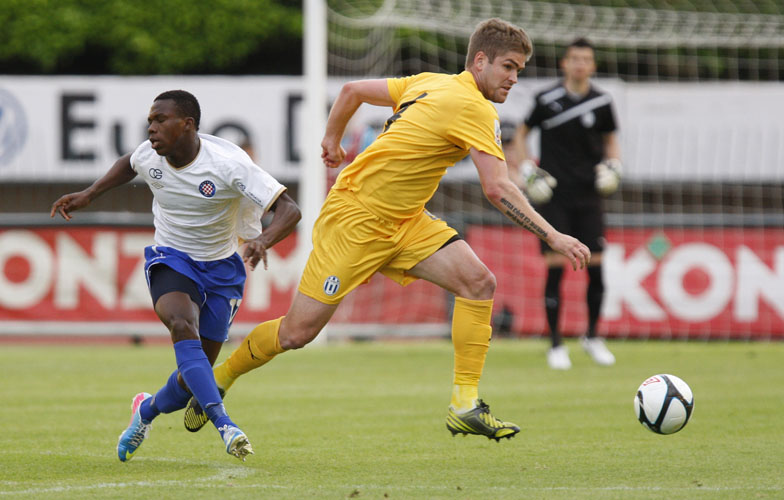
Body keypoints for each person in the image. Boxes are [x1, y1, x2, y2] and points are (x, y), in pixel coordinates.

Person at [184, 18, 590, 441]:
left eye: (519, 70)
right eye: (508, 66)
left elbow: (352, 91)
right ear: (480, 61)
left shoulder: (429, 82)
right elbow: (497, 188)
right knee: (296, 333)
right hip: (355, 220)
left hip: (407, 220)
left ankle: (464, 405)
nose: (513, 78)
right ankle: (221, 376)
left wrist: (332, 139)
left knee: (478, 282)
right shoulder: (475, 107)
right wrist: (553, 235)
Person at [50, 90, 301, 461]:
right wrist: (90, 193)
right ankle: (225, 425)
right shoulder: (150, 155)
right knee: (182, 324)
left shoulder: (229, 164)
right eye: (149, 121)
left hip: (221, 268)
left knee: (193, 377)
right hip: (171, 257)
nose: (151, 128)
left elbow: (290, 209)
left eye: (160, 120)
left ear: (187, 125)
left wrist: (263, 239)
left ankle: (146, 410)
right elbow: (128, 164)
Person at [510, 38, 621, 370]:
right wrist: (527, 169)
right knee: (556, 268)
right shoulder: (547, 99)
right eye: (575, 58)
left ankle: (592, 337)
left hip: (589, 195)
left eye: (586, 59)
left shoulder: (601, 102)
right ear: (565, 63)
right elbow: (520, 134)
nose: (580, 64)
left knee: (596, 268)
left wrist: (614, 166)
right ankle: (556, 344)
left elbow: (611, 140)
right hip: (555, 197)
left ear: (593, 65)